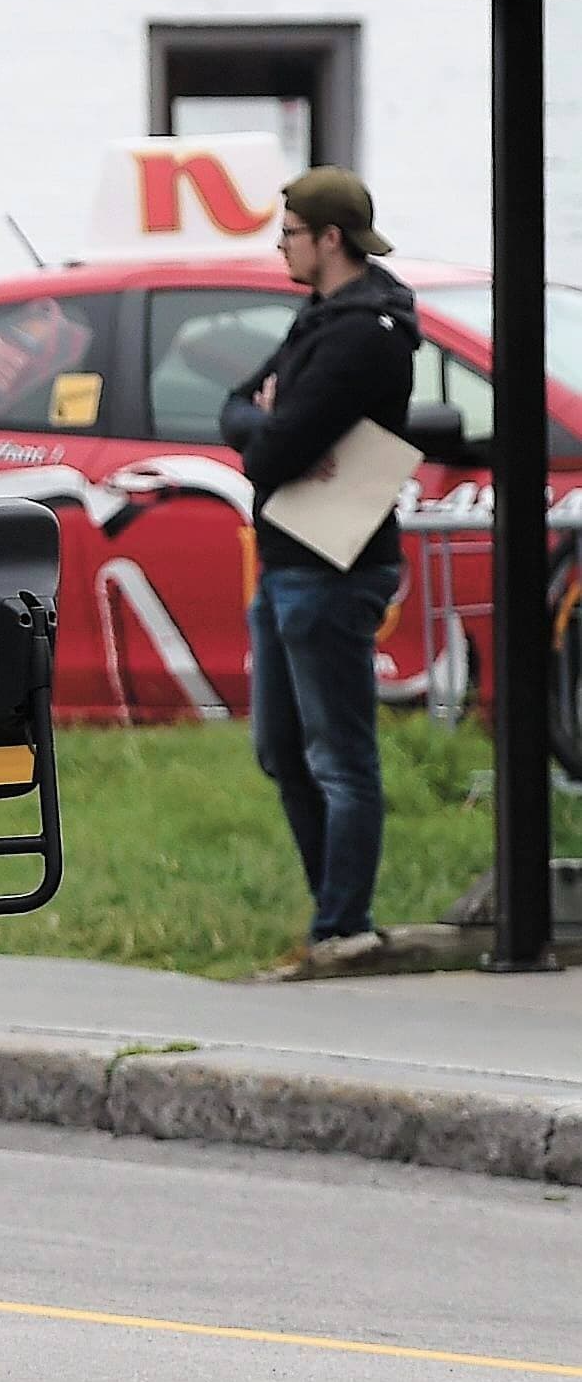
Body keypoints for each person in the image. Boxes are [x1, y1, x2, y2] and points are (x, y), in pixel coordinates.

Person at [220, 169, 422, 975]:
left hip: (334, 567)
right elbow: (237, 405)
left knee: (340, 755)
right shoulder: (321, 316)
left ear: (328, 238)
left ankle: (345, 926)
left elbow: (269, 446)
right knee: (280, 748)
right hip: (287, 558)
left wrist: (266, 422)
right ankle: (331, 912)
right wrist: (261, 417)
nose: (281, 245)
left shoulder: (364, 332)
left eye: (289, 232)